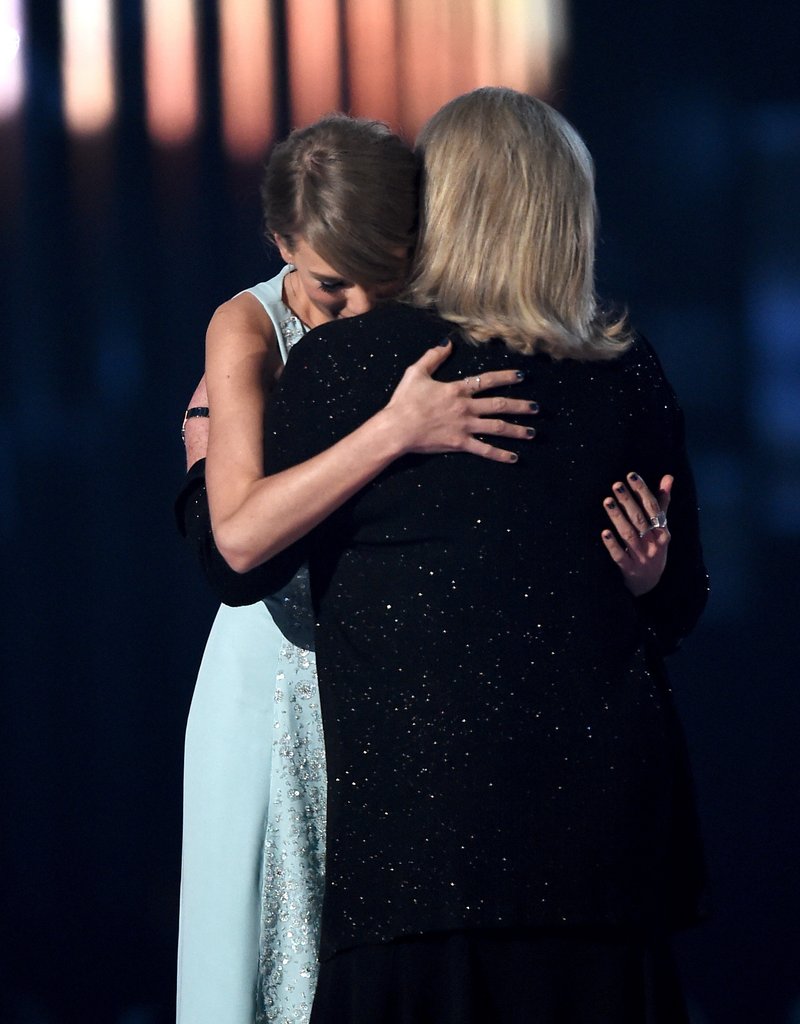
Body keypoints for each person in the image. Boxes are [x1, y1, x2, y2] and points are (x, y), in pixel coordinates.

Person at [211, 89, 709, 1023]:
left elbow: (245, 566)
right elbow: (679, 604)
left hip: (423, 858)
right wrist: (653, 579)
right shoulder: (628, 371)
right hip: (603, 857)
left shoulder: (351, 365)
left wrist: (205, 459)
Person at [175, 114, 539, 1024]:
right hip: (271, 679)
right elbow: (241, 540)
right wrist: (395, 429)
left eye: (386, 280)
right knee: (256, 965)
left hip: (398, 680)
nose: (361, 316)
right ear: (281, 246)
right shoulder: (246, 325)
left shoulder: (444, 318)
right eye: (335, 288)